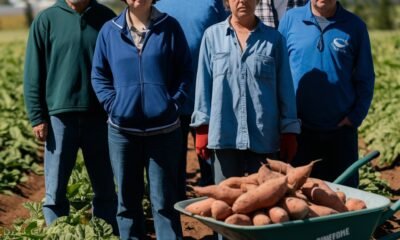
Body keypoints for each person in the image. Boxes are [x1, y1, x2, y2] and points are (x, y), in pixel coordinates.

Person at [91, 0, 193, 238]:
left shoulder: (170, 27)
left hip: (164, 131)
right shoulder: (110, 30)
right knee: (127, 204)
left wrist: (174, 103)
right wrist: (113, 104)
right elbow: (99, 74)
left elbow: (185, 71)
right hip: (122, 132)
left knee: (164, 203)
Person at [23, 0, 118, 234]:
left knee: (105, 185)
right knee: (55, 189)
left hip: (100, 117)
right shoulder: (47, 20)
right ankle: (58, 233)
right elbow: (33, 72)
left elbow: (118, 66)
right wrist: (37, 116)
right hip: (59, 118)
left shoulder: (106, 18)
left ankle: (104, 233)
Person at [191, 0, 300, 186]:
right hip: (225, 135)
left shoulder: (274, 40)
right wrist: (202, 127)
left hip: (263, 136)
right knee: (227, 202)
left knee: (264, 203)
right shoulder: (212, 37)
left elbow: (285, 89)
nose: (242, 1)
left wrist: (289, 130)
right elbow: (204, 85)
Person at [278, 0, 375, 187]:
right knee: (300, 197)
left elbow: (366, 78)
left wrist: (355, 117)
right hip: (299, 131)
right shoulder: (291, 20)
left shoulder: (355, 26)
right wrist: (284, 121)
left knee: (343, 196)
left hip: (340, 132)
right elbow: (278, 71)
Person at [155, 0, 228, 198]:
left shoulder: (212, 2)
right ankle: (174, 220)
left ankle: (215, 220)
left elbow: (225, 36)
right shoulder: (158, 4)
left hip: (206, 99)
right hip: (172, 99)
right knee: (172, 168)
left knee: (211, 166)